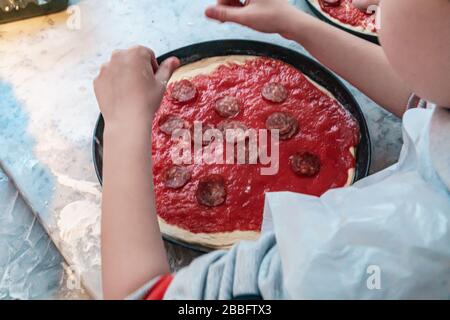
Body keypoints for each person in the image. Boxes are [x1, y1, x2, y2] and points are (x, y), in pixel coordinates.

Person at [94, 0, 450, 300]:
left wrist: (125, 123)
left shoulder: (358, 257)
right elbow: (425, 103)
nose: (361, 4)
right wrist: (297, 25)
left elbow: (143, 295)